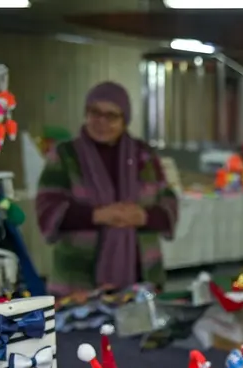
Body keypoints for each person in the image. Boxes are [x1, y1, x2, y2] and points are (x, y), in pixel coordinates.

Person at [36, 82, 178, 296]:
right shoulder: (65, 155)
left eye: (111, 116)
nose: (102, 122)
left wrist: (143, 216)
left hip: (142, 279)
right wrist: (98, 215)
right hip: (78, 284)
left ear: (124, 120)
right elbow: (47, 208)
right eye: (95, 113)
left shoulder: (144, 155)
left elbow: (168, 203)